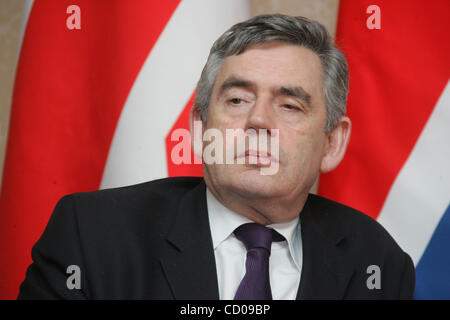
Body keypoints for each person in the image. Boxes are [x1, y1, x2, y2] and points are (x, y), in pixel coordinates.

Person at [18, 14, 415, 300]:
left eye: (290, 105)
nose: (258, 119)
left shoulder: (377, 263)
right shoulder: (92, 235)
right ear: (198, 128)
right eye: (238, 99)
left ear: (332, 142)